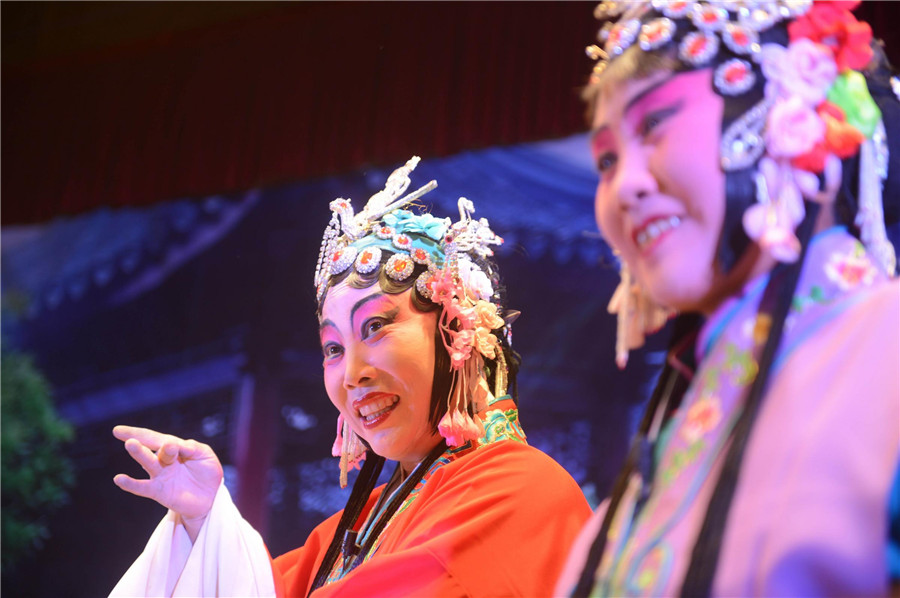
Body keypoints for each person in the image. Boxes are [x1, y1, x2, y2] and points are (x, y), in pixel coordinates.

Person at [109, 157, 591, 597]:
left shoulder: (519, 491)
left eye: (376, 328)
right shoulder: (352, 528)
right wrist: (204, 525)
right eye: (334, 348)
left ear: (455, 333)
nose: (353, 375)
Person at [557, 1, 900, 597]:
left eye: (655, 122)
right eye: (607, 159)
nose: (626, 184)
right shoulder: (639, 484)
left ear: (792, 108)